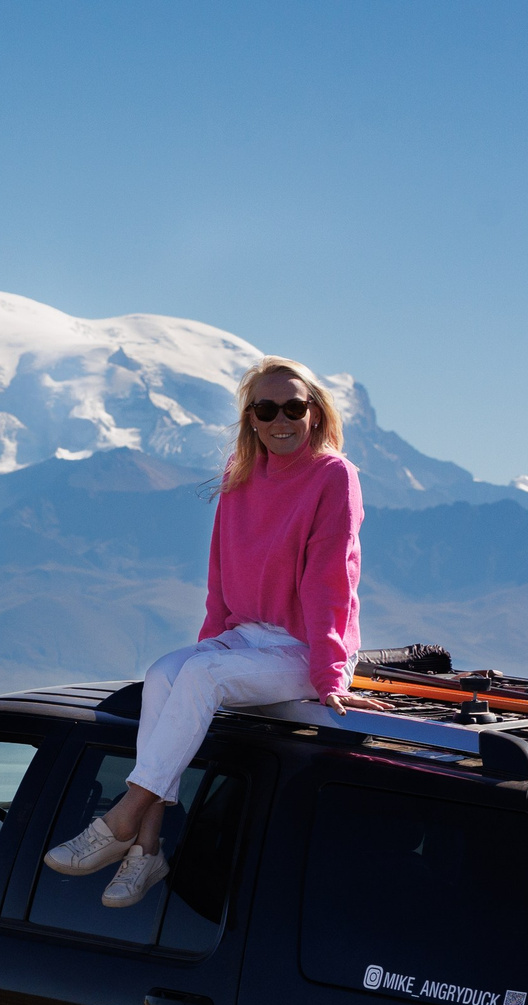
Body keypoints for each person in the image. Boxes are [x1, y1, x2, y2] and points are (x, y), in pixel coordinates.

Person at [45, 356, 368, 906]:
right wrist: (205, 643)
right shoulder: (239, 475)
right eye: (266, 409)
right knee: (166, 674)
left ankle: (121, 822)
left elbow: (329, 581)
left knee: (203, 678)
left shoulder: (333, 476)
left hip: (304, 647)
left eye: (294, 406)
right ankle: (147, 851)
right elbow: (219, 576)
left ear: (315, 412)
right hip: (244, 638)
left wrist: (329, 673)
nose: (280, 419)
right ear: (251, 419)